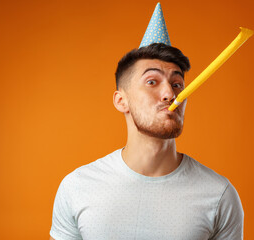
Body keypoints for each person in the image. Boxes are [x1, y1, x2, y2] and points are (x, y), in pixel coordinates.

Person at [50, 3, 243, 240]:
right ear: (122, 101)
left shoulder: (219, 195)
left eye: (177, 84)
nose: (170, 95)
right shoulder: (77, 187)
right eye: (152, 82)